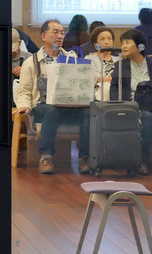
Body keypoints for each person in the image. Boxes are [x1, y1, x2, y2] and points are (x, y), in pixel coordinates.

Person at [13, 19, 91, 175]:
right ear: (43, 36)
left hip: (68, 106)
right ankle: (46, 157)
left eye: (62, 33)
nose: (60, 36)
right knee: (51, 110)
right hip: (42, 107)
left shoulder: (71, 58)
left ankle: (85, 158)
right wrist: (24, 105)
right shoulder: (31, 62)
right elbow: (24, 91)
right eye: (55, 32)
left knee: (89, 112)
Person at [117, 29, 152, 176]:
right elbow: (115, 92)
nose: (123, 46)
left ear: (140, 46)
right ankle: (141, 160)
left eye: (128, 42)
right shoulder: (120, 66)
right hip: (133, 108)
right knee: (146, 116)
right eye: (122, 43)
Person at [85, 25, 119, 101]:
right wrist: (108, 79)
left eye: (109, 39)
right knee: (106, 87)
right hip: (97, 93)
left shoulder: (119, 60)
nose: (107, 42)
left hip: (117, 91)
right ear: (95, 44)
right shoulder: (89, 59)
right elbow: (91, 76)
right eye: (102, 39)